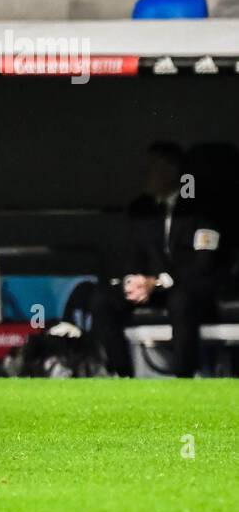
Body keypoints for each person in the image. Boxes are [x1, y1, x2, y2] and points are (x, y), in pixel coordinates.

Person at [88, 142, 223, 377]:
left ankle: (183, 381)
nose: (146, 174)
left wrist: (159, 282)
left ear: (171, 172)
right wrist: (134, 280)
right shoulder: (141, 209)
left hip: (187, 287)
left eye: (152, 168)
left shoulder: (202, 208)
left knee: (182, 301)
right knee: (102, 300)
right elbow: (134, 254)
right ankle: (124, 378)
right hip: (153, 288)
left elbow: (203, 264)